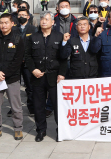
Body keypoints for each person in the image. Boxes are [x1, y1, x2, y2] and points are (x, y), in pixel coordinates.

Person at [24, 11, 66, 142]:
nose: (43, 21)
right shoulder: (32, 37)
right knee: (38, 105)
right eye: (42, 19)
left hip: (54, 77)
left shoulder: (59, 37)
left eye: (47, 19)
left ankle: (61, 131)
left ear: (53, 22)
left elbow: (64, 58)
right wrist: (33, 70)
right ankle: (41, 130)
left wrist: (62, 73)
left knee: (57, 105)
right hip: (38, 77)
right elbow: (27, 56)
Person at [0, 13, 24, 142]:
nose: (3, 25)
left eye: (6, 22)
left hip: (12, 78)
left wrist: (5, 73)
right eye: (1, 22)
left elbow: (18, 60)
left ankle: (18, 128)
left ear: (12, 24)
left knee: (16, 106)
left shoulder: (18, 39)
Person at [14, 8, 37, 117]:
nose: (21, 16)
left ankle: (32, 107)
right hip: (16, 62)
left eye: (24, 15)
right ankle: (14, 108)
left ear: (28, 17)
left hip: (28, 62)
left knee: (30, 86)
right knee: (14, 87)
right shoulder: (14, 29)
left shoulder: (33, 29)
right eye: (19, 15)